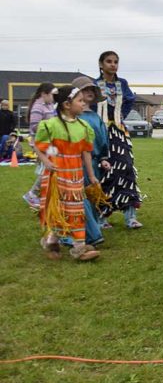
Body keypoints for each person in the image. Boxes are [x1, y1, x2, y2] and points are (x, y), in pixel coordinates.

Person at [34, 86, 100, 261]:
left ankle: (71, 245)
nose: (83, 103)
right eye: (80, 100)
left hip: (75, 175)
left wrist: (91, 176)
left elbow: (86, 153)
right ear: (67, 104)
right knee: (60, 210)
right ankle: (70, 245)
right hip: (56, 175)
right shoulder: (50, 125)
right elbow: (39, 146)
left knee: (75, 209)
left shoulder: (83, 127)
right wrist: (47, 160)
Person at [94, 51, 143, 229]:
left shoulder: (122, 83)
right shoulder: (95, 85)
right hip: (101, 132)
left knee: (127, 168)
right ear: (101, 64)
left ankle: (131, 216)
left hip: (119, 133)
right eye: (109, 61)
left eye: (115, 62)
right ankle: (102, 217)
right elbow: (89, 104)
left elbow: (130, 99)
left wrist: (120, 115)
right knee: (104, 172)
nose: (113, 65)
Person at [72, 76, 110, 247]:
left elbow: (102, 139)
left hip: (93, 163)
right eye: (85, 90)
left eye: (92, 90)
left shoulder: (95, 117)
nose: (89, 93)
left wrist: (103, 158)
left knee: (92, 195)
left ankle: (92, 230)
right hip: (74, 162)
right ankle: (90, 233)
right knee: (79, 197)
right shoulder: (72, 117)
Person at [22, 83, 56, 209]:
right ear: (44, 94)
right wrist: (52, 126)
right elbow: (34, 127)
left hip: (49, 142)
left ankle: (43, 194)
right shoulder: (38, 107)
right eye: (52, 94)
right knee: (48, 168)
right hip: (41, 143)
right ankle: (32, 194)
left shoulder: (49, 105)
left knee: (50, 167)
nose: (54, 97)